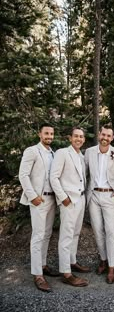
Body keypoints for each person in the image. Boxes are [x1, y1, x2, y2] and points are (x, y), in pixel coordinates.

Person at [19, 123, 59, 292]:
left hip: (52, 199)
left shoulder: (54, 153)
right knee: (38, 235)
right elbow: (23, 174)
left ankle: (43, 265)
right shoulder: (32, 151)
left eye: (51, 133)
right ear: (39, 134)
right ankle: (37, 275)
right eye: (46, 133)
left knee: (47, 234)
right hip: (39, 199)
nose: (49, 136)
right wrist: (32, 195)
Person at [84, 124, 114, 284]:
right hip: (93, 195)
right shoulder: (89, 152)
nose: (105, 138)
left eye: (109, 136)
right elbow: (83, 172)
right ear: (99, 134)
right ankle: (103, 259)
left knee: (110, 231)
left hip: (110, 196)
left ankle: (112, 267)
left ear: (112, 138)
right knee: (97, 230)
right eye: (103, 134)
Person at [50, 127, 90, 287]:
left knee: (75, 233)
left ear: (84, 139)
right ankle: (66, 272)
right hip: (69, 200)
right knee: (66, 236)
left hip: (80, 199)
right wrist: (63, 198)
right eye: (76, 136)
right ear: (70, 138)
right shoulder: (62, 153)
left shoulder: (81, 156)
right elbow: (54, 177)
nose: (78, 139)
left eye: (81, 137)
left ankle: (72, 262)